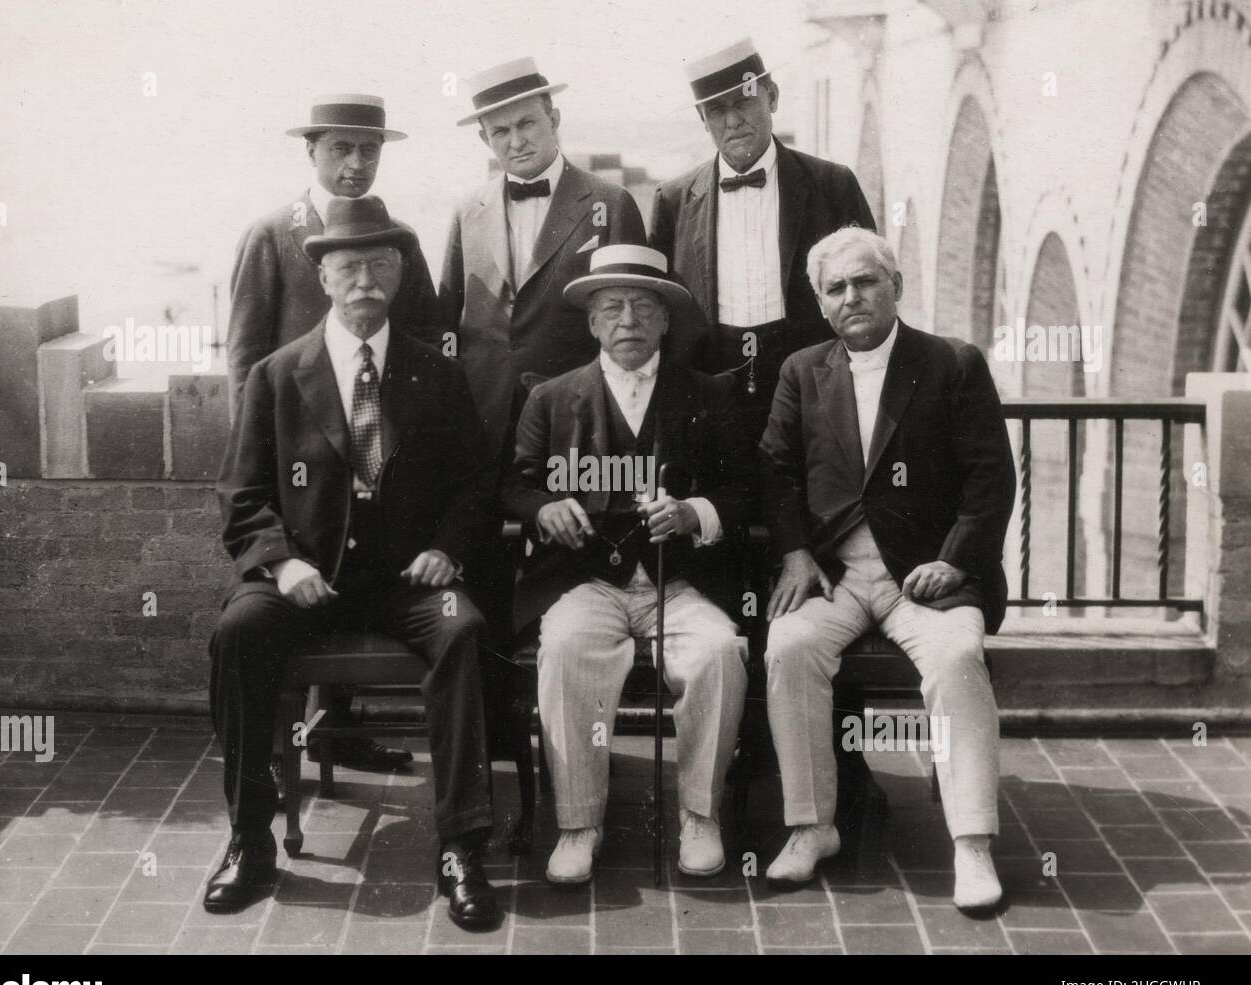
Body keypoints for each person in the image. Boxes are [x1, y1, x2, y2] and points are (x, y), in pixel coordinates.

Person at [206, 196, 499, 929]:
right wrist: (280, 565)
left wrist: (446, 549)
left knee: (463, 631)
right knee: (237, 632)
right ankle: (249, 840)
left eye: (378, 265)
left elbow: (474, 485)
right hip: (309, 577)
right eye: (348, 267)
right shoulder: (278, 376)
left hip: (406, 580)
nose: (364, 279)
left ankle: (461, 847)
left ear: (399, 274)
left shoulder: (436, 373)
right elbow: (242, 496)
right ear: (325, 278)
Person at [759, 227, 1016, 910]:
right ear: (821, 304)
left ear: (895, 285)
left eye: (866, 280)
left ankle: (971, 845)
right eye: (836, 288)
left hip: (926, 575)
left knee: (959, 656)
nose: (853, 296)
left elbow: (991, 479)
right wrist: (794, 553)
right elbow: (776, 473)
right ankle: (812, 827)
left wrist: (954, 561)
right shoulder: (801, 371)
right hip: (838, 575)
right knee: (788, 645)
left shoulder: (952, 364)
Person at [503, 245, 754, 886]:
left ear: (667, 320)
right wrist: (544, 508)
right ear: (591, 323)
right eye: (611, 307)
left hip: (682, 582)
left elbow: (748, 489)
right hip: (588, 580)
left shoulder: (709, 394)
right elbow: (513, 485)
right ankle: (579, 822)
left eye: (645, 306)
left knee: (719, 652)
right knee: (564, 649)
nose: (628, 320)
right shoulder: (552, 398)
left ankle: (700, 813)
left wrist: (696, 511)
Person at [227, 93, 438, 774]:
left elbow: (427, 345)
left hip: (377, 454)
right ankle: (288, 752)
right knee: (281, 609)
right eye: (341, 149)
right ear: (310, 151)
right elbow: (244, 361)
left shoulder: (395, 241)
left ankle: (339, 731)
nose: (356, 164)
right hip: (299, 467)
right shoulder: (270, 234)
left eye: (369, 150)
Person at [649, 38, 875, 440]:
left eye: (744, 100)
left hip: (813, 375)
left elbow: (871, 288)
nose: (732, 120)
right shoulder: (673, 200)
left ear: (772, 96)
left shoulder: (832, 184)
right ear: (702, 120)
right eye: (717, 110)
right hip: (710, 379)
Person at [440, 57, 647, 463]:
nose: (516, 141)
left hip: (576, 414)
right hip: (483, 415)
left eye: (527, 123)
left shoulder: (609, 201)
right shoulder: (467, 211)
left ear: (553, 118)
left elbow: (635, 315)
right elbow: (445, 318)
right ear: (485, 140)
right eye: (500, 130)